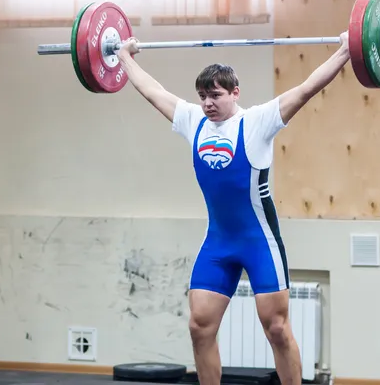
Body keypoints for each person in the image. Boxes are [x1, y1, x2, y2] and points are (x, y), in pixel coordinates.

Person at [117, 31, 350, 385]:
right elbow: (153, 92)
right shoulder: (193, 120)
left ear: (235, 92)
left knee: (276, 328)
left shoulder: (257, 121)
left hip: (259, 241)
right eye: (203, 96)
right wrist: (124, 57)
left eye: (216, 95)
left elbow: (305, 88)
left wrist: (347, 51)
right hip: (218, 242)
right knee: (199, 326)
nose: (208, 103)